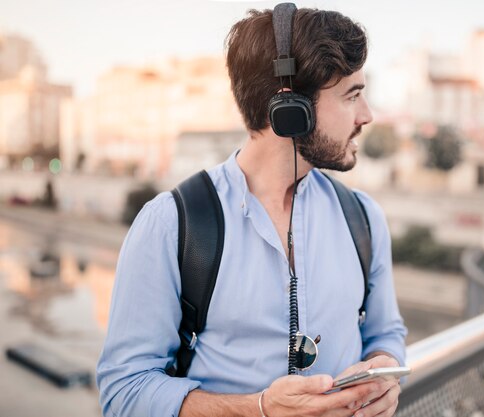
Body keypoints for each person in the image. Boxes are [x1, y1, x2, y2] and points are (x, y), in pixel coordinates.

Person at [96, 5, 407, 417]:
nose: (367, 115)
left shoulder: (365, 218)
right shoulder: (169, 225)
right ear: (291, 110)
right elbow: (123, 393)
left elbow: (386, 332)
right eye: (351, 95)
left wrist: (386, 368)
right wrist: (258, 409)